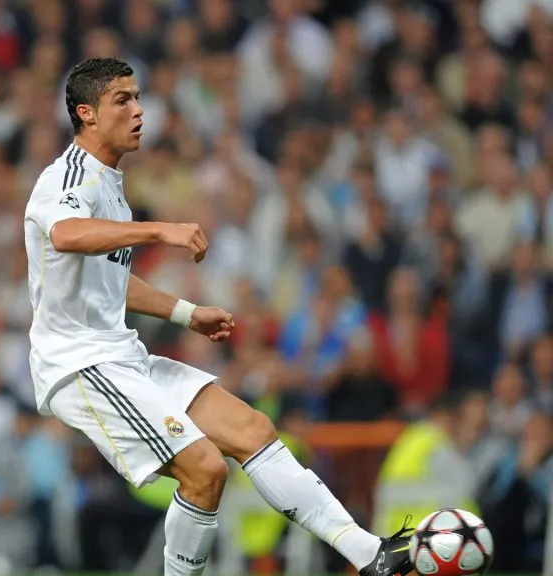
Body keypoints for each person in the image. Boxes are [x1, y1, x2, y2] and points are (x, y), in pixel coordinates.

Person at [22, 57, 414, 576]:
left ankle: (369, 556)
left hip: (121, 355)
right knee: (205, 470)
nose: (140, 110)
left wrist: (187, 314)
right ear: (86, 114)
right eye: (123, 100)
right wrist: (160, 230)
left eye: (139, 97)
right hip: (80, 365)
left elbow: (110, 284)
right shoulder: (68, 176)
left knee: (251, 428)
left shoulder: (111, 185)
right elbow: (66, 234)